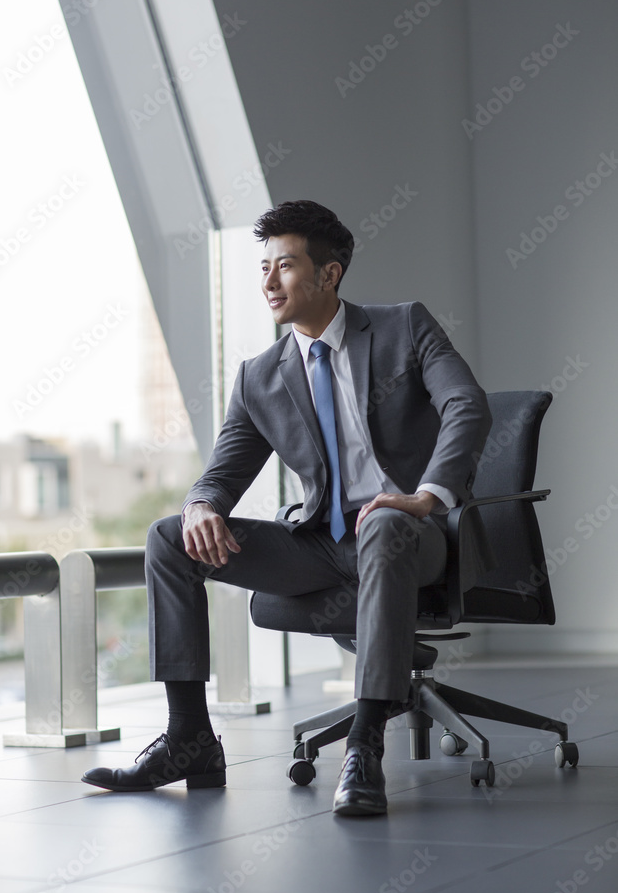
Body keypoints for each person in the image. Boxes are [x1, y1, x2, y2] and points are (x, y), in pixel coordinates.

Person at [82, 199, 492, 815]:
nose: (269, 282)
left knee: (383, 520)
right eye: (264, 267)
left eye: (286, 266)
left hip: (411, 531)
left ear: (329, 275)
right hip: (320, 544)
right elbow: (223, 473)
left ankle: (364, 746)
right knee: (169, 537)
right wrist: (200, 506)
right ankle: (190, 739)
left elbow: (467, 405)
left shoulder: (405, 326)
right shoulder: (260, 376)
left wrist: (425, 496)